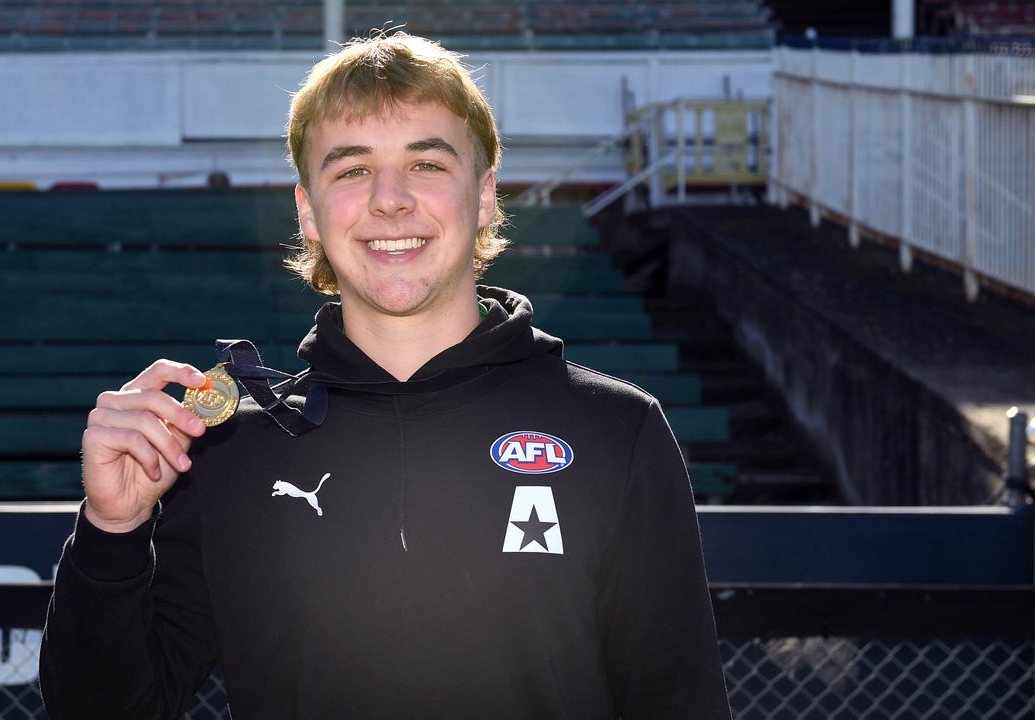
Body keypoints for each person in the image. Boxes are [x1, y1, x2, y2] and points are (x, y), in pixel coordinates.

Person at [39, 32, 730, 719]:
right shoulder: (229, 453)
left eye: (427, 164)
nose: (391, 199)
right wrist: (113, 529)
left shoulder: (617, 429)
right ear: (308, 212)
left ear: (485, 195)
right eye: (352, 170)